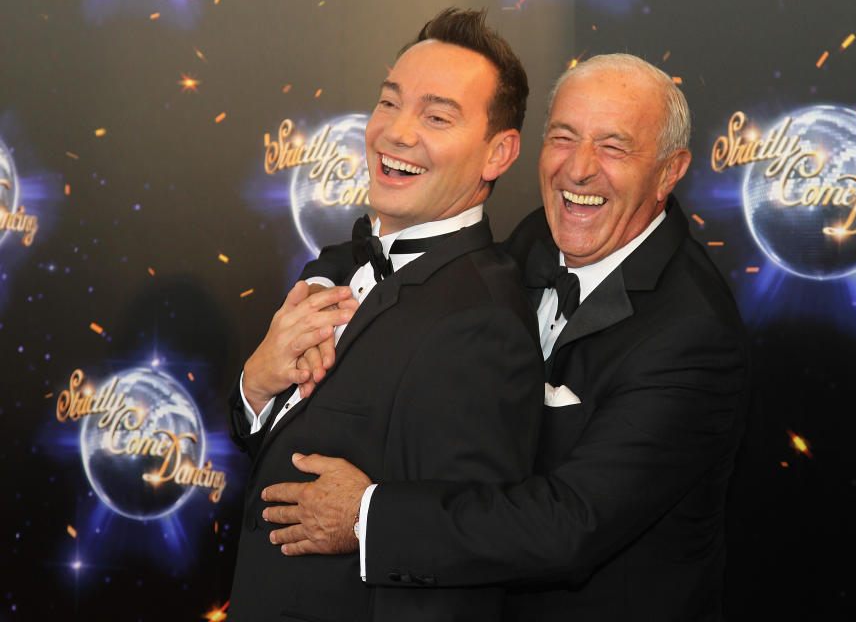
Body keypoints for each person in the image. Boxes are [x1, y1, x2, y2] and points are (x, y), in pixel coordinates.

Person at [262, 52, 751, 621]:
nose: (579, 169)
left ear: (670, 171)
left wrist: (367, 516)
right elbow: (404, 245)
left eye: (613, 147)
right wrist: (321, 283)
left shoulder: (693, 335)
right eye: (564, 138)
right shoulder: (540, 234)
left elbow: (570, 523)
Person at [227, 8, 544, 621]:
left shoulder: (484, 321)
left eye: (436, 116)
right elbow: (275, 449)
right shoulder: (336, 262)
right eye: (389, 102)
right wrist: (255, 386)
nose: (395, 133)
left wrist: (369, 515)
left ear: (498, 153)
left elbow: (458, 567)